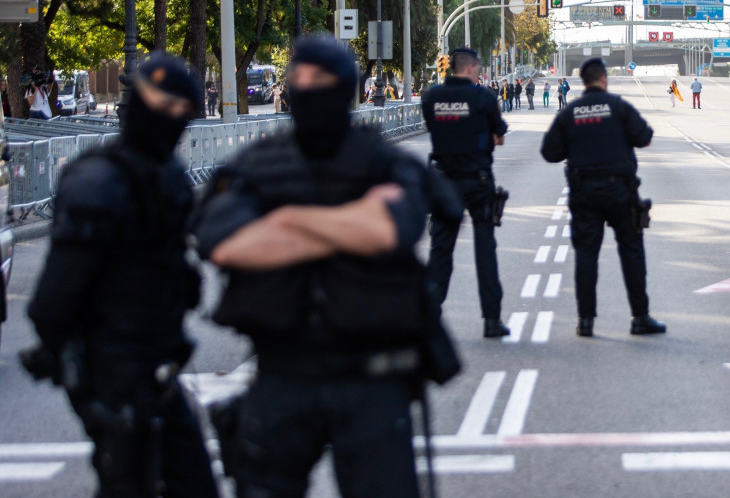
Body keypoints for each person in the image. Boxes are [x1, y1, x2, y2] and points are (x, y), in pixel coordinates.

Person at [192, 35, 460, 498]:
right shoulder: (257, 163)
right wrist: (348, 222)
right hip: (282, 376)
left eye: (320, 78)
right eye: (298, 76)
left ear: (345, 87)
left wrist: (287, 218)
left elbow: (388, 231)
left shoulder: (384, 161)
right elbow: (226, 244)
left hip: (372, 379)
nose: (306, 86)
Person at [25, 52, 218, 498]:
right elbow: (53, 300)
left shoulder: (168, 177)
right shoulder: (98, 181)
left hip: (157, 368)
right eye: (161, 107)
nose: (170, 120)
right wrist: (81, 368)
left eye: (179, 111)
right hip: (114, 374)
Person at [540, 58, 666, 338]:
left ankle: (585, 322)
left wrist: (575, 145)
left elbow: (549, 152)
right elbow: (644, 137)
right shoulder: (619, 107)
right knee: (632, 253)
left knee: (586, 256)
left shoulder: (569, 113)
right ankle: (640, 318)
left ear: (583, 81)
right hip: (621, 192)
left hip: (584, 194)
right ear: (604, 78)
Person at [422, 47, 511, 338]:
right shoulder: (483, 97)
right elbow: (499, 137)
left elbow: (433, 128)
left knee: (440, 250)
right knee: (485, 249)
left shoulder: (432, 97)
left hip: (443, 181)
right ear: (471, 68)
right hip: (478, 180)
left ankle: (429, 319)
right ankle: (491, 321)